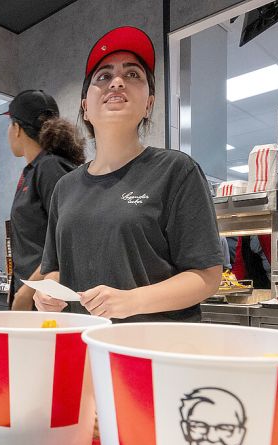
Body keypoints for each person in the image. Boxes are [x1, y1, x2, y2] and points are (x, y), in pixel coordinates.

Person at [35, 26, 223, 321]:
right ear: (85, 108)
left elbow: (207, 275)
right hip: (81, 341)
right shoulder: (65, 187)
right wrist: (48, 293)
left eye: (133, 74)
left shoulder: (176, 171)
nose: (117, 82)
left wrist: (131, 301)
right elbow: (55, 269)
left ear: (149, 104)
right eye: (103, 76)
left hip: (152, 345)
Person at [4, 89, 85, 310]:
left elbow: (67, 238)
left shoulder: (50, 167)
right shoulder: (34, 170)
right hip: (36, 295)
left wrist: (26, 292)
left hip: (49, 299)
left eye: (10, 125)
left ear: (17, 128)